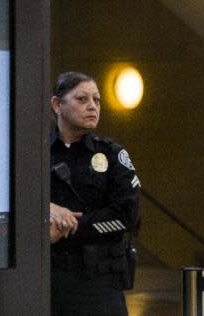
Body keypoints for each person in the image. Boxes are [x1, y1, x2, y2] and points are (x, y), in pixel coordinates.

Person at [49, 71, 141, 316]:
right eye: (82, 99)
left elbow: (127, 215)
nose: (92, 106)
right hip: (47, 281)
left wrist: (74, 225)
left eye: (97, 100)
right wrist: (46, 208)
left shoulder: (111, 155)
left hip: (99, 283)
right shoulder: (37, 153)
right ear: (57, 105)